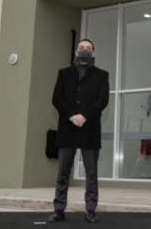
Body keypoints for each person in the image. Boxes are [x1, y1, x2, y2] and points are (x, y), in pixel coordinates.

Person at [49, 39, 109, 223]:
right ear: (76, 52)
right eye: (81, 48)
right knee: (63, 172)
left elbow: (102, 100)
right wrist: (72, 116)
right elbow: (57, 98)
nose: (84, 51)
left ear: (93, 53)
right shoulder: (63, 73)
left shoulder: (101, 75)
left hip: (89, 128)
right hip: (67, 128)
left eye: (88, 49)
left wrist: (84, 116)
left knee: (91, 173)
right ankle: (59, 209)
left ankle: (90, 209)